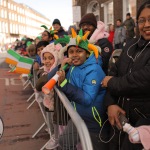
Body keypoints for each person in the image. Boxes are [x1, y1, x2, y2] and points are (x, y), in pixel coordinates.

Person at [101, 1, 150, 149]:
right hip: (119, 122)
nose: (146, 24)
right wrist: (110, 103)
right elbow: (114, 71)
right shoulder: (130, 45)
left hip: (142, 125)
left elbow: (142, 80)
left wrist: (111, 83)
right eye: (142, 20)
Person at [55, 29, 108, 150]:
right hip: (78, 117)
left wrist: (63, 84)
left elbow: (87, 98)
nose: (74, 55)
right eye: (71, 51)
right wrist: (62, 71)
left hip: (95, 122)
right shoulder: (73, 67)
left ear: (87, 53)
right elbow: (63, 85)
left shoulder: (94, 69)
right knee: (64, 142)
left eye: (79, 51)